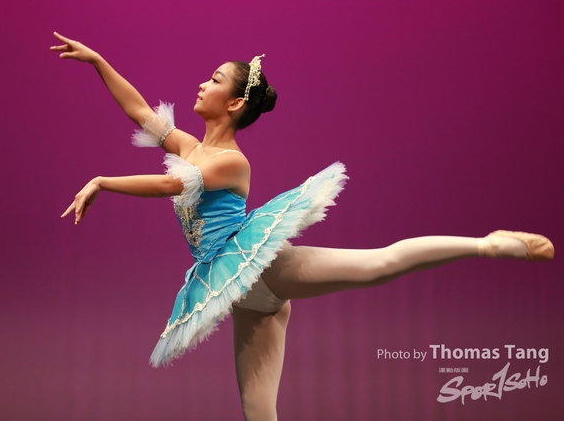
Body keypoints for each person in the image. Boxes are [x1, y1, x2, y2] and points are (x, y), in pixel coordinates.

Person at [50, 32, 554, 421]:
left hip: (257, 265)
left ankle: (490, 244)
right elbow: (139, 110)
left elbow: (169, 186)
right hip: (243, 294)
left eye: (215, 79)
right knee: (258, 413)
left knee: (379, 264)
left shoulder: (230, 161)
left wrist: (102, 181)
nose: (202, 84)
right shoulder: (189, 147)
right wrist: (97, 61)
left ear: (234, 103)